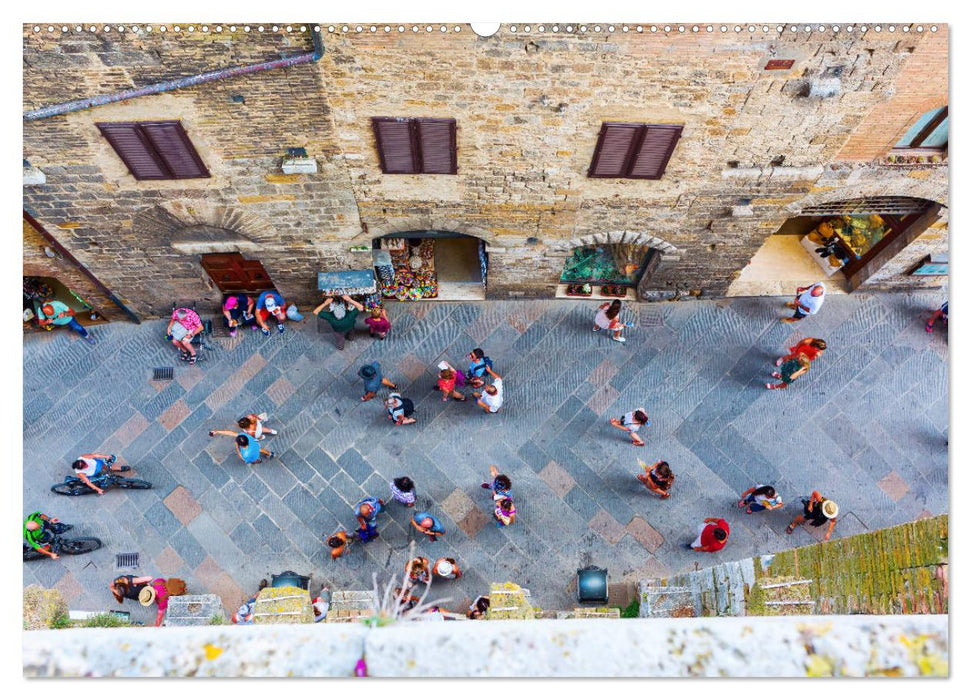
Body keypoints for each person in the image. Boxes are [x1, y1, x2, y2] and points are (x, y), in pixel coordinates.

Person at [208, 430, 275, 464]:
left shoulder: (246, 454)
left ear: (240, 445)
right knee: (260, 450)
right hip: (256, 446)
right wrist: (217, 431)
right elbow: (232, 433)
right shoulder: (245, 436)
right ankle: (269, 453)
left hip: (253, 456)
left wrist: (237, 448)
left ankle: (258, 461)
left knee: (254, 460)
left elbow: (243, 459)